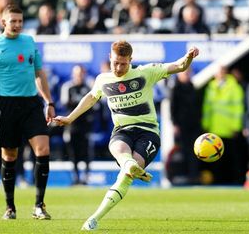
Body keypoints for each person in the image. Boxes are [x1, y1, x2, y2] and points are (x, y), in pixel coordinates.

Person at [53, 40, 199, 231]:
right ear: (110, 58)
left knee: (125, 176)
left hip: (147, 132)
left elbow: (179, 66)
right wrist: (70, 118)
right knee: (119, 150)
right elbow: (90, 98)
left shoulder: (145, 73)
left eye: (123, 63)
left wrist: (188, 57)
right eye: (115, 63)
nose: (119, 67)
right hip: (122, 130)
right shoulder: (103, 80)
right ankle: (131, 165)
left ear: (131, 60)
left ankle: (95, 216)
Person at [0, 5, 55, 220]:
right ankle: (10, 207)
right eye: (13, 21)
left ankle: (39, 205)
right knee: (10, 155)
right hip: (6, 105)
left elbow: (39, 73)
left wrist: (48, 101)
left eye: (20, 21)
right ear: (3, 22)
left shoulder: (29, 42)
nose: (18, 25)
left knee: (43, 149)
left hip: (31, 104)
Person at [60, 65, 93, 185]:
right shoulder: (68, 87)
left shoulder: (88, 87)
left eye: (81, 73)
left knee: (86, 153)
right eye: (77, 73)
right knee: (72, 153)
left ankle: (85, 178)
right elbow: (65, 104)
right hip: (72, 125)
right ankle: (75, 178)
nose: (79, 76)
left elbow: (93, 105)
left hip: (85, 126)